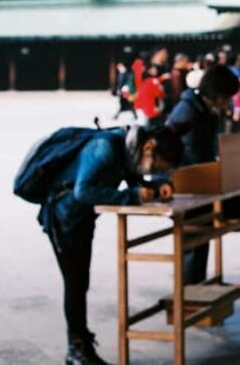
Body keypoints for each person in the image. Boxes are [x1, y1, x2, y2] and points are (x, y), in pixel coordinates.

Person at [18, 125, 182, 365]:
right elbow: (83, 192)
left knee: (80, 282)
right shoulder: (105, 148)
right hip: (64, 219)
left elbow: (134, 178)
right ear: (149, 147)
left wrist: (156, 186)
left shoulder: (129, 150)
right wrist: (133, 196)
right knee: (75, 283)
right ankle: (76, 349)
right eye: (158, 166)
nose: (156, 170)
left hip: (81, 219)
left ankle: (80, 345)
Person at [166, 65, 240, 283]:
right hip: (188, 184)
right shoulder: (188, 112)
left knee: (201, 238)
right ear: (217, 94)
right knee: (193, 240)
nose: (227, 102)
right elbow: (190, 154)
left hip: (200, 180)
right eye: (227, 97)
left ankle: (197, 290)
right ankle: (189, 297)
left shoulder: (202, 108)